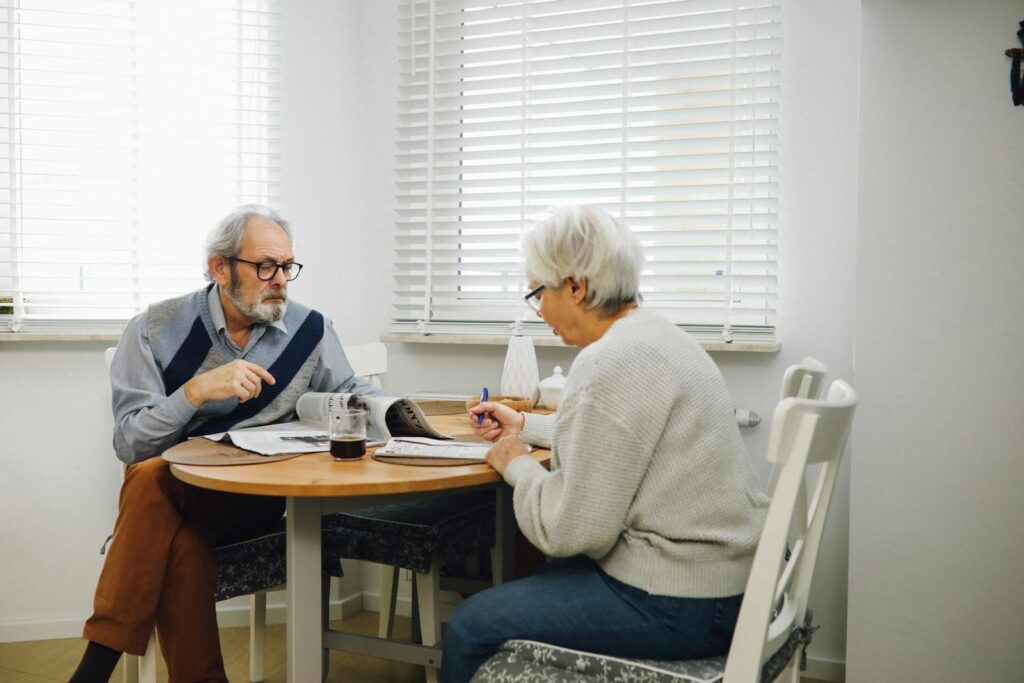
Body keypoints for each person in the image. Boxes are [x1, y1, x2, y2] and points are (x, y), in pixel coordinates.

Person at [441, 205, 771, 682]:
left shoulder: (609, 361)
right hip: (728, 585)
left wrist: (516, 463)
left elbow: (569, 530)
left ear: (576, 287)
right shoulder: (656, 336)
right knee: (558, 572)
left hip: (682, 604)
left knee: (471, 625)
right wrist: (525, 427)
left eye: (538, 293)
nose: (540, 313)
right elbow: (621, 443)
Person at [69, 205, 381, 683]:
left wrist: (404, 412)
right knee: (179, 534)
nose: (280, 279)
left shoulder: (309, 329)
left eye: (287, 267)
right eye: (265, 267)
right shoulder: (154, 329)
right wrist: (194, 392)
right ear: (219, 267)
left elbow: (355, 393)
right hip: (174, 502)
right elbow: (130, 443)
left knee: (153, 479)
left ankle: (93, 670)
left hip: (258, 503)